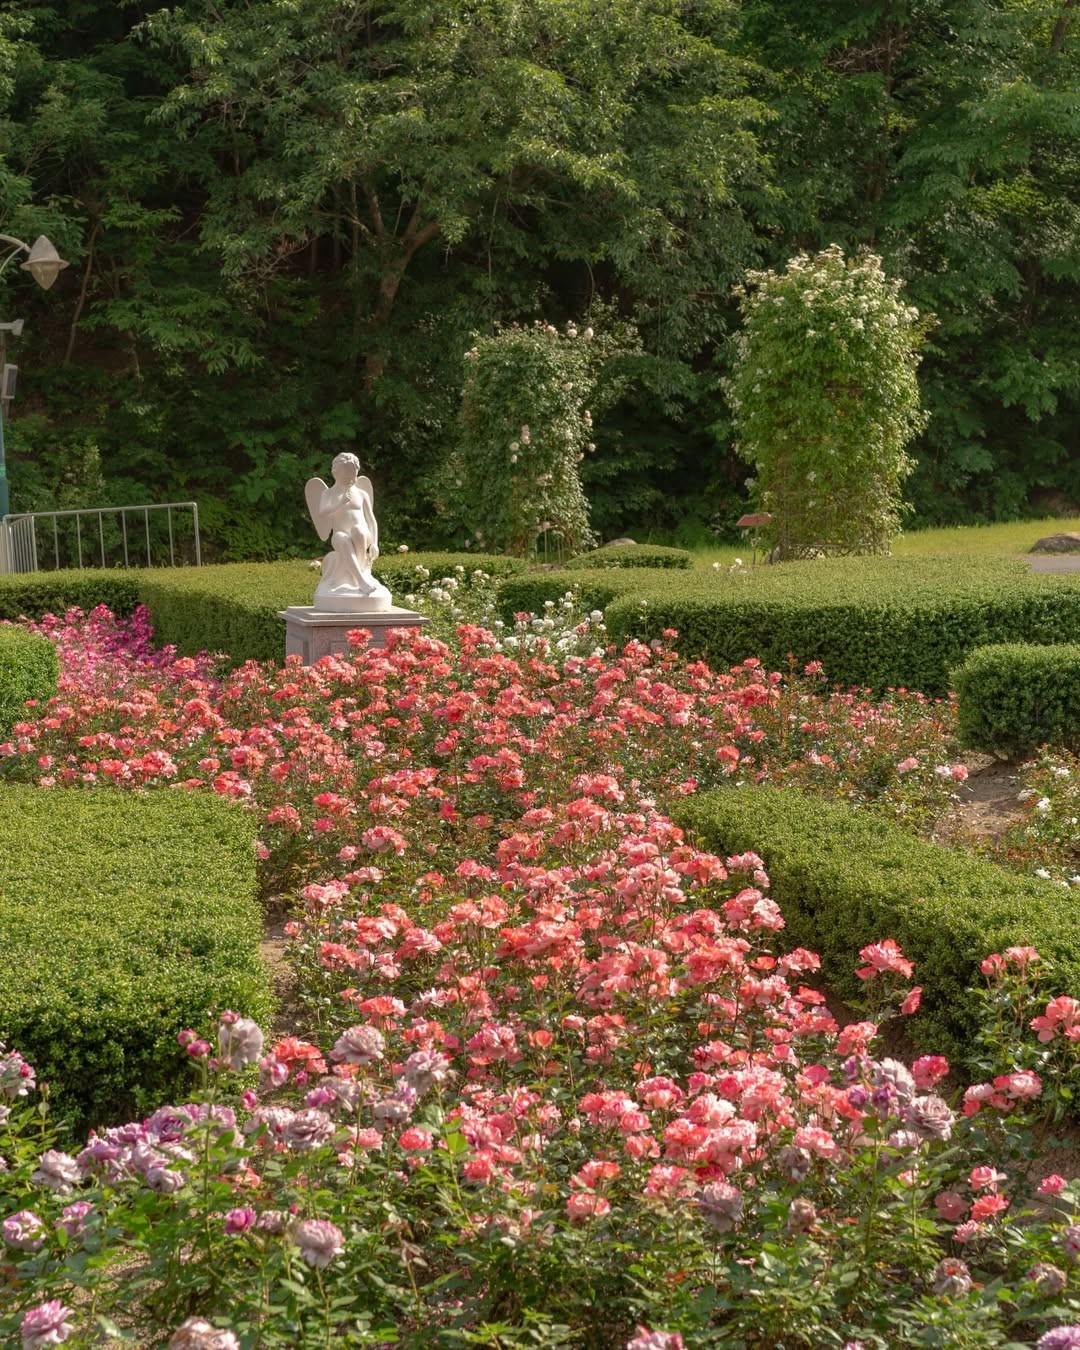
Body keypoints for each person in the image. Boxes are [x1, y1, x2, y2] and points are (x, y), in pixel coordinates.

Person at [305, 453, 391, 609]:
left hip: (363, 535)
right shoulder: (329, 493)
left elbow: (371, 520)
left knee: (358, 530)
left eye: (353, 476)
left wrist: (375, 544)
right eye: (346, 475)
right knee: (339, 537)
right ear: (335, 473)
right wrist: (341, 501)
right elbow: (322, 512)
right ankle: (360, 580)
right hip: (341, 536)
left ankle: (360, 576)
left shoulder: (362, 494)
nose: (349, 479)